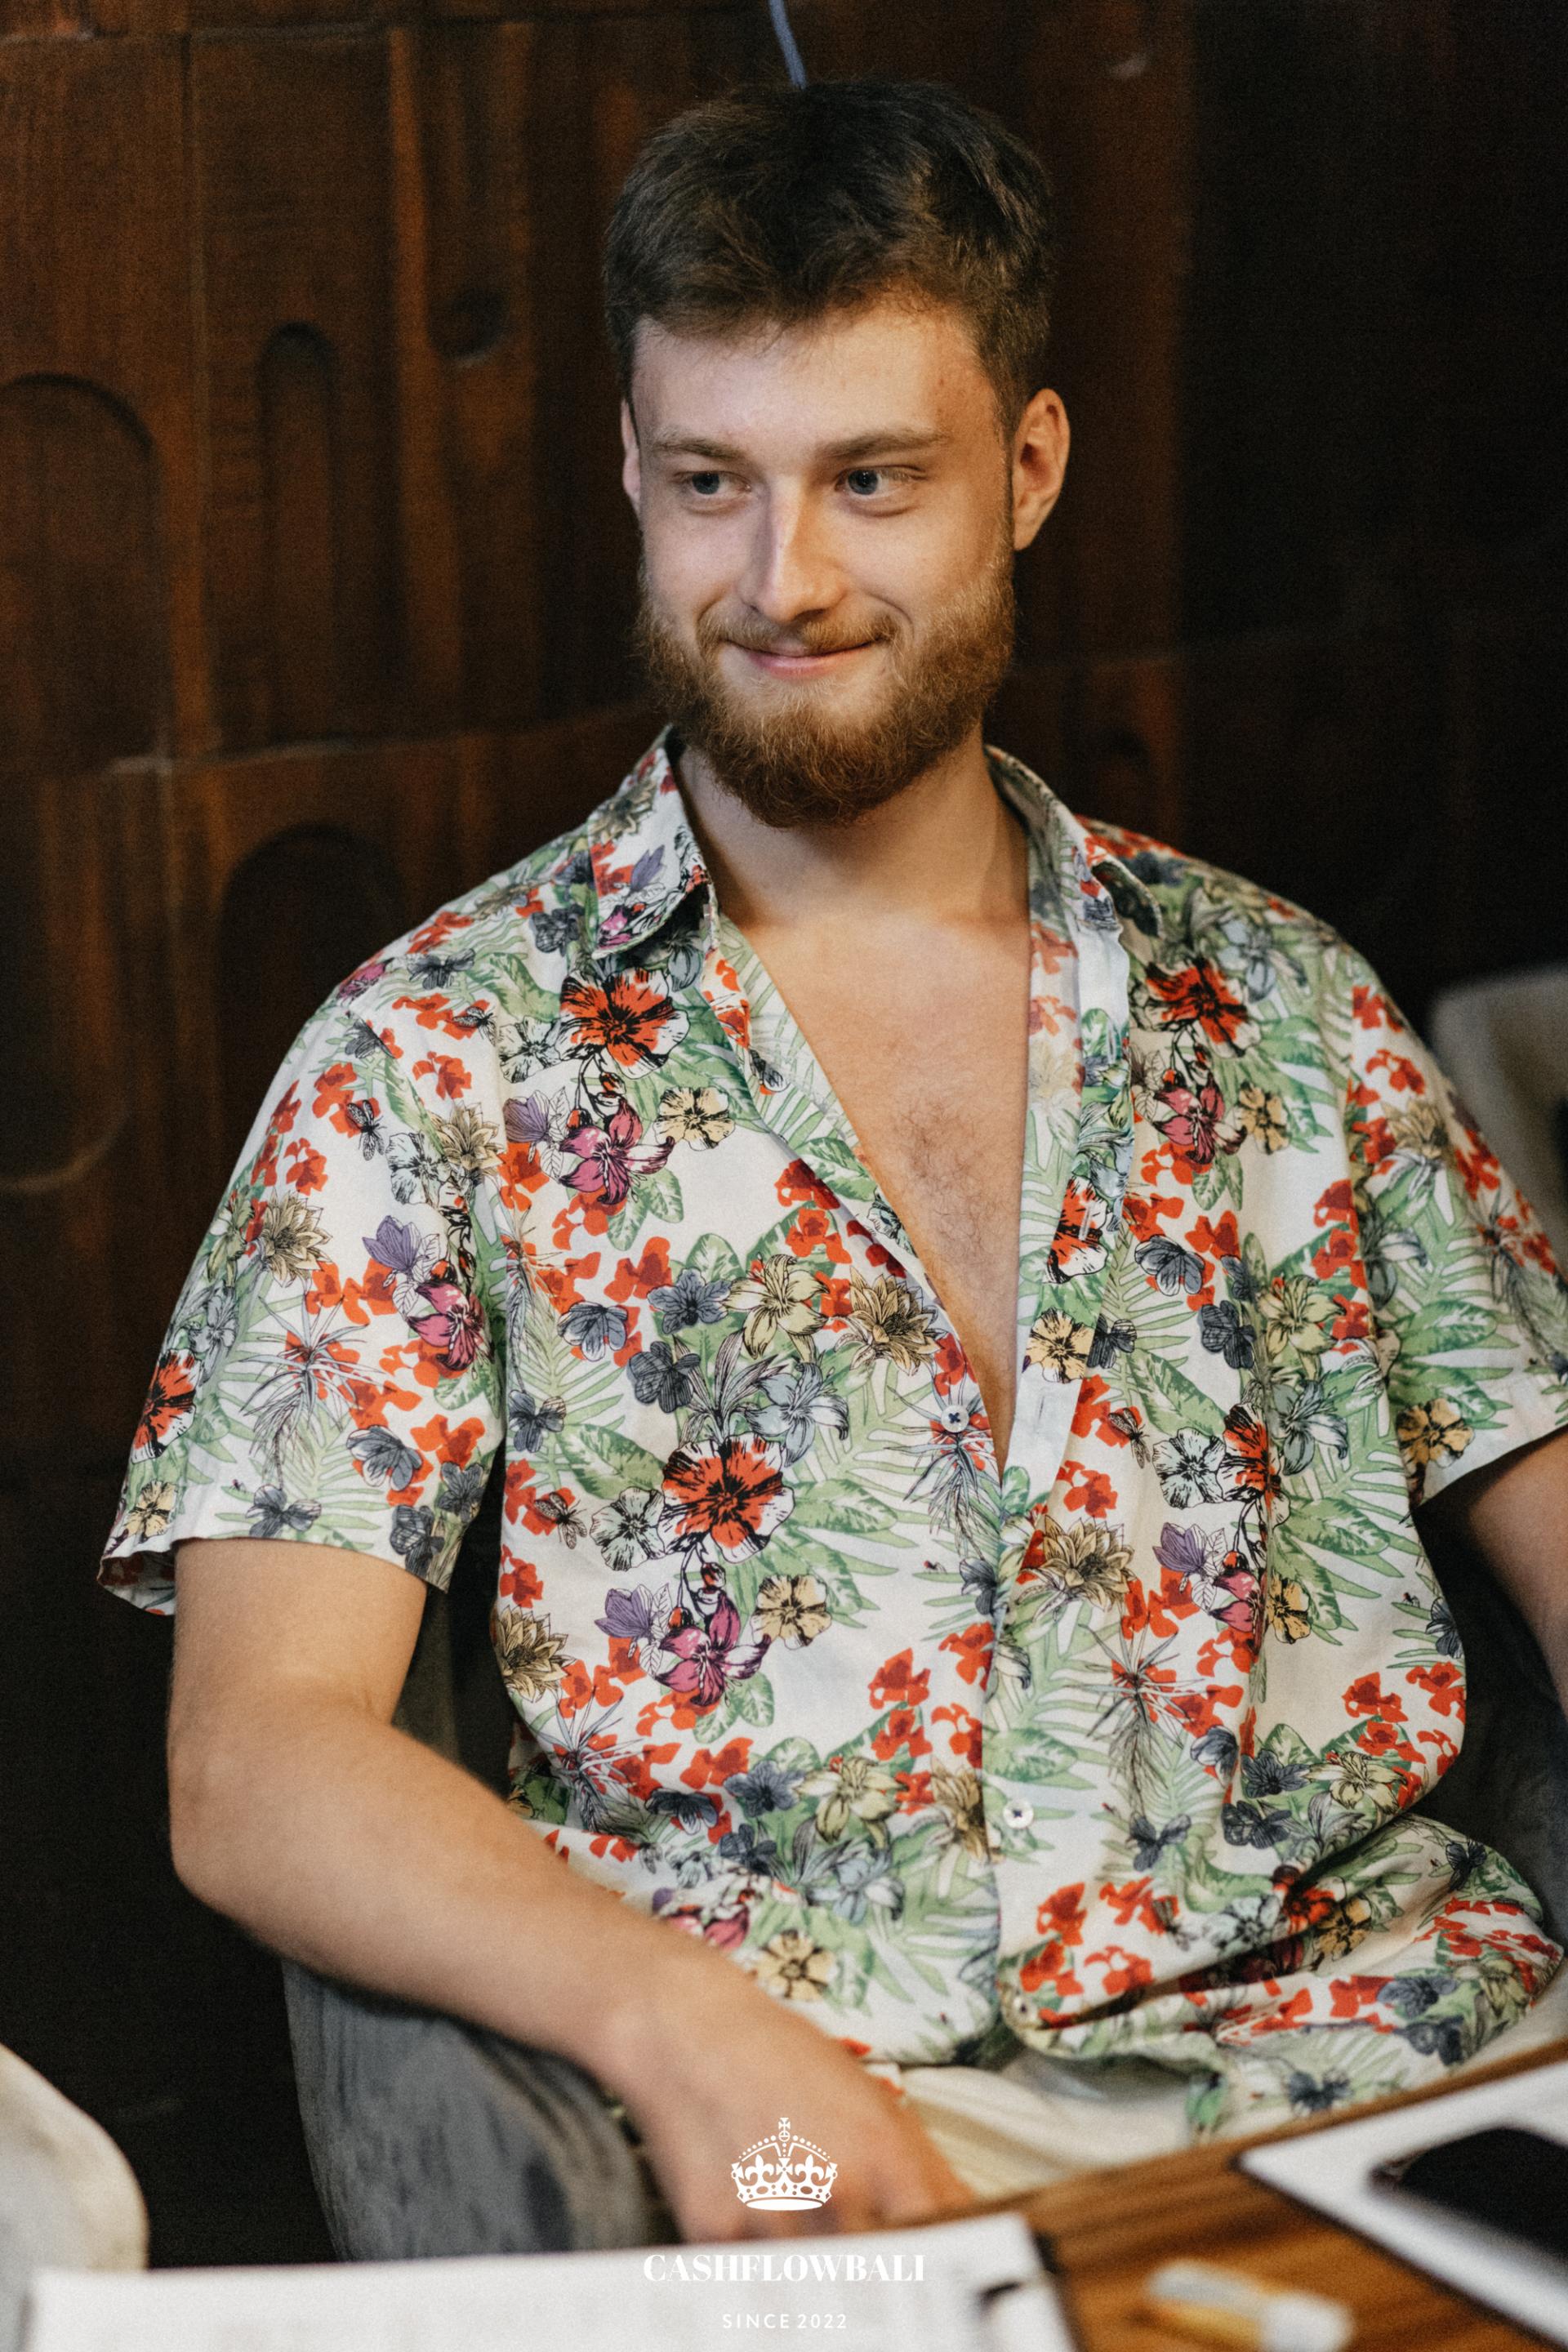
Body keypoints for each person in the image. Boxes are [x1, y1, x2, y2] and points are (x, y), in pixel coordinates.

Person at [102, 78, 1568, 2260]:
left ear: (1029, 470)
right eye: (713, 483)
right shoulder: (428, 1062)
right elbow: (254, 1760)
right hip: (830, 2140)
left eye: (873, 479)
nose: (781, 582)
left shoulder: (1281, 1003)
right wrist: (679, 2031)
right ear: (630, 470)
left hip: (1422, 2063)